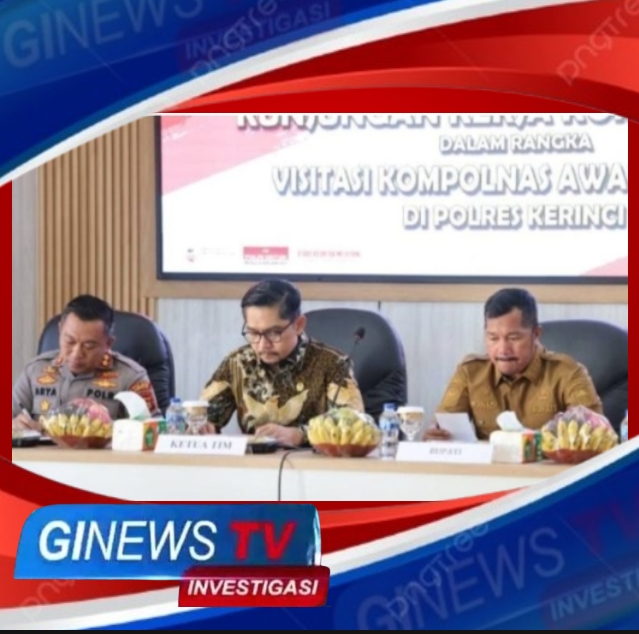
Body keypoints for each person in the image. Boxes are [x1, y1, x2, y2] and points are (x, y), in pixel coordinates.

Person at [200, 279, 365, 446]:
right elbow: (202, 416)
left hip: (312, 461)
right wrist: (203, 427)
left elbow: (354, 425)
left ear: (299, 325)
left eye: (274, 333)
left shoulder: (332, 364)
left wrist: (301, 435)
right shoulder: (237, 362)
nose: (262, 345)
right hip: (253, 460)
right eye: (254, 333)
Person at [424, 288, 603, 441]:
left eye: (513, 338)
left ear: (536, 334)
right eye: (493, 338)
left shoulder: (567, 373)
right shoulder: (470, 372)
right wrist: (436, 436)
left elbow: (595, 436)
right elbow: (442, 431)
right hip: (489, 470)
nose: (503, 349)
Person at [12, 295, 161, 431]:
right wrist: (14, 425)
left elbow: (154, 431)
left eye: (89, 346)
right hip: (41, 452)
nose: (77, 354)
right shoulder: (35, 371)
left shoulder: (131, 377)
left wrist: (111, 430)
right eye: (70, 341)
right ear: (60, 331)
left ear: (108, 343)